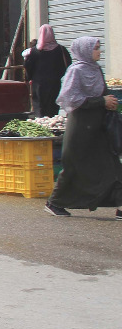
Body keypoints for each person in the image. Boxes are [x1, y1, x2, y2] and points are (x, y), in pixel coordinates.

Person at [45, 37, 122, 218]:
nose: (98, 52)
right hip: (81, 127)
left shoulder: (95, 69)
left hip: (98, 127)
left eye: (98, 48)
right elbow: (70, 98)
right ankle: (54, 202)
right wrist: (100, 101)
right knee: (74, 167)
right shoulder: (76, 71)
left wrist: (109, 101)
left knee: (112, 166)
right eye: (95, 48)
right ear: (85, 50)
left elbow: (102, 92)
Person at [25, 24, 72, 117]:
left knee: (39, 108)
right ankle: (52, 126)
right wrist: (58, 75)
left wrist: (29, 78)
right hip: (54, 83)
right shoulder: (60, 49)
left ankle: (41, 126)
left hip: (38, 84)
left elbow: (28, 66)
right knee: (52, 108)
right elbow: (67, 64)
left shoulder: (34, 51)